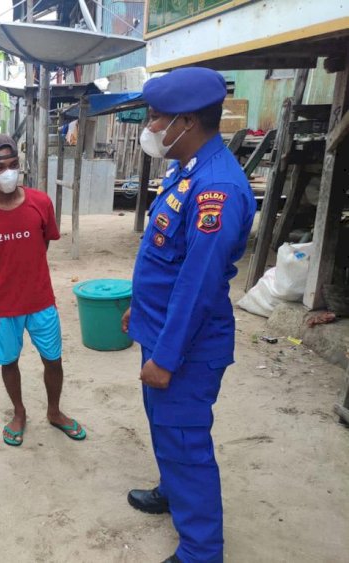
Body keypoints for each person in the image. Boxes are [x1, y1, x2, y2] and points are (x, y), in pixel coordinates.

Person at [121, 68, 256, 563]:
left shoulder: (215, 189)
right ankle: (171, 490)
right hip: (159, 331)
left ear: (187, 121)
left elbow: (198, 285)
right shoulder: (187, 167)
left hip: (186, 347)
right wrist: (140, 310)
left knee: (185, 440)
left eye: (157, 117)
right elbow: (166, 255)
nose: (151, 126)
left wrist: (167, 357)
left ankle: (200, 551)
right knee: (165, 427)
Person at [0, 134, 86, 446]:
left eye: (13, 165)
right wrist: (7, 278)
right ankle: (18, 412)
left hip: (41, 300)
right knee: (9, 361)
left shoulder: (40, 203)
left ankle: (55, 411)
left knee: (53, 359)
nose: (8, 172)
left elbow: (41, 245)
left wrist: (26, 273)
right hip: (4, 306)